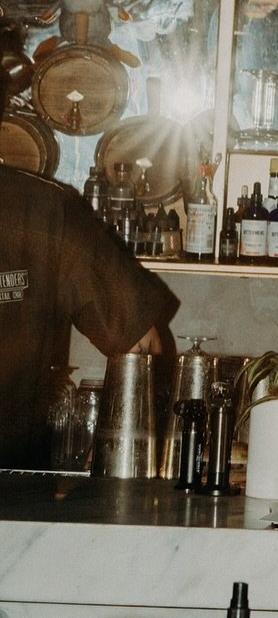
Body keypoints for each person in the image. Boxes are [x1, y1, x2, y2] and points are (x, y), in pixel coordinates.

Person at [0, 73, 176, 468]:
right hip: (17, 504)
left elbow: (139, 341)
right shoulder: (46, 208)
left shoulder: (47, 211)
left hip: (16, 500)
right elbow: (143, 345)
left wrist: (116, 451)